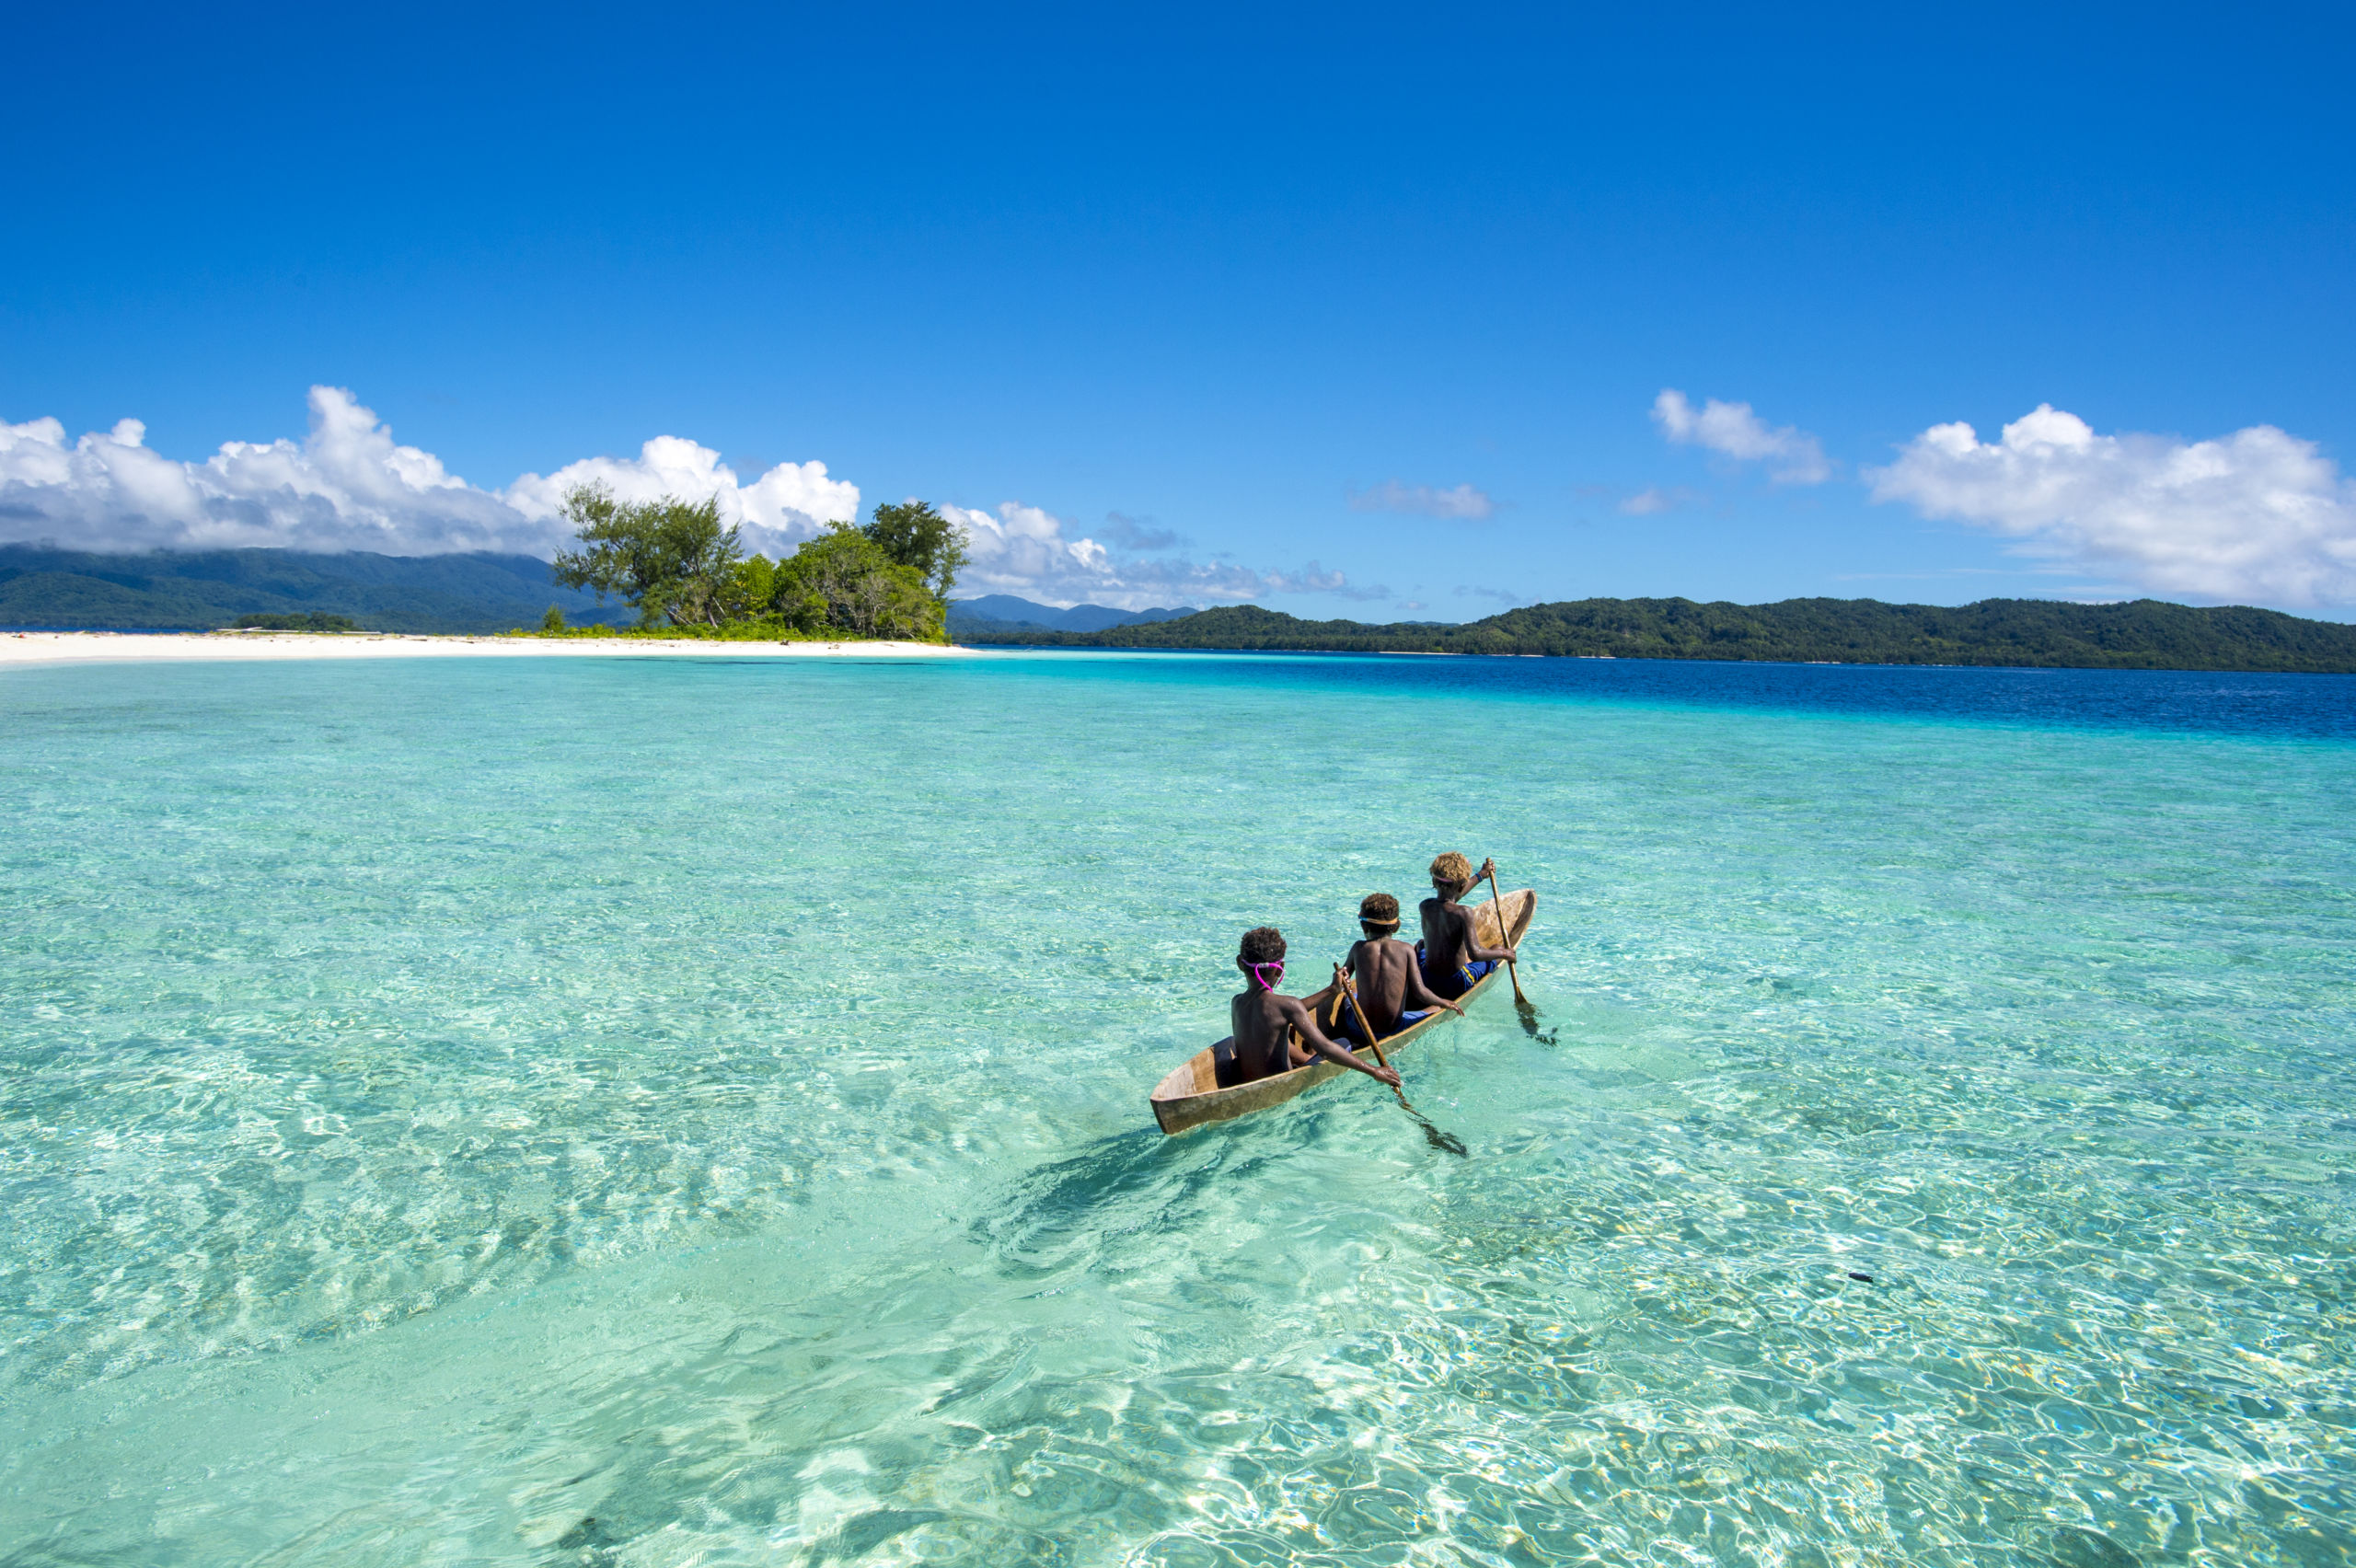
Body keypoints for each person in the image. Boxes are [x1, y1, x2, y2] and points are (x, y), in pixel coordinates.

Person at [1222, 926, 1401, 1089]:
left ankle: (1304, 1059)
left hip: (1247, 1082)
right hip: (1281, 1086)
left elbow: (1288, 1010)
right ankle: (1305, 1061)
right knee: (1343, 1043)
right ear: (1280, 968)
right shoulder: (1287, 1005)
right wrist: (1374, 1071)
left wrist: (1331, 990)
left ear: (1240, 963)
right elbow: (1325, 1048)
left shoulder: (1237, 1001)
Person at [1336, 893, 1464, 1045]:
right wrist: (1445, 1003)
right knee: (1435, 1007)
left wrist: (1341, 977)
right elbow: (1420, 992)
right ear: (1396, 926)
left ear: (1363, 925)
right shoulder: (1406, 950)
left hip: (1358, 1029)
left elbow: (1341, 981)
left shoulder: (1358, 948)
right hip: (1392, 1031)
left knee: (1352, 993)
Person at [1418, 852, 1517, 1001]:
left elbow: (1451, 898)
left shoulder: (1425, 906)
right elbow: (1475, 954)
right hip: (1455, 983)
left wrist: (1481, 875)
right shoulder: (1463, 912)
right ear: (1462, 885)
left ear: (1434, 881)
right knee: (1496, 948)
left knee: (1421, 945)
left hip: (1427, 979)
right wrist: (1505, 954)